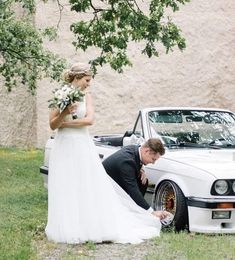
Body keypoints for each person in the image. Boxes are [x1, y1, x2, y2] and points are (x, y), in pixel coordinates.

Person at [45, 62, 167, 244]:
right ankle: (68, 227)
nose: (88, 84)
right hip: (64, 145)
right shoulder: (60, 94)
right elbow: (52, 124)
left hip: (81, 143)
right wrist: (64, 113)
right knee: (67, 182)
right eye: (87, 80)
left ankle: (90, 225)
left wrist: (66, 124)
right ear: (77, 78)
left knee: (86, 183)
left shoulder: (87, 96)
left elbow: (89, 120)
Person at [102, 138, 166, 217]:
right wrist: (151, 212)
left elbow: (137, 158)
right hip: (104, 189)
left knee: (143, 181)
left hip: (116, 182)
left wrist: (142, 169)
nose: (153, 163)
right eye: (153, 159)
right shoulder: (126, 162)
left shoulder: (135, 149)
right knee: (137, 187)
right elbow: (133, 190)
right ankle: (136, 211)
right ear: (147, 151)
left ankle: (136, 209)